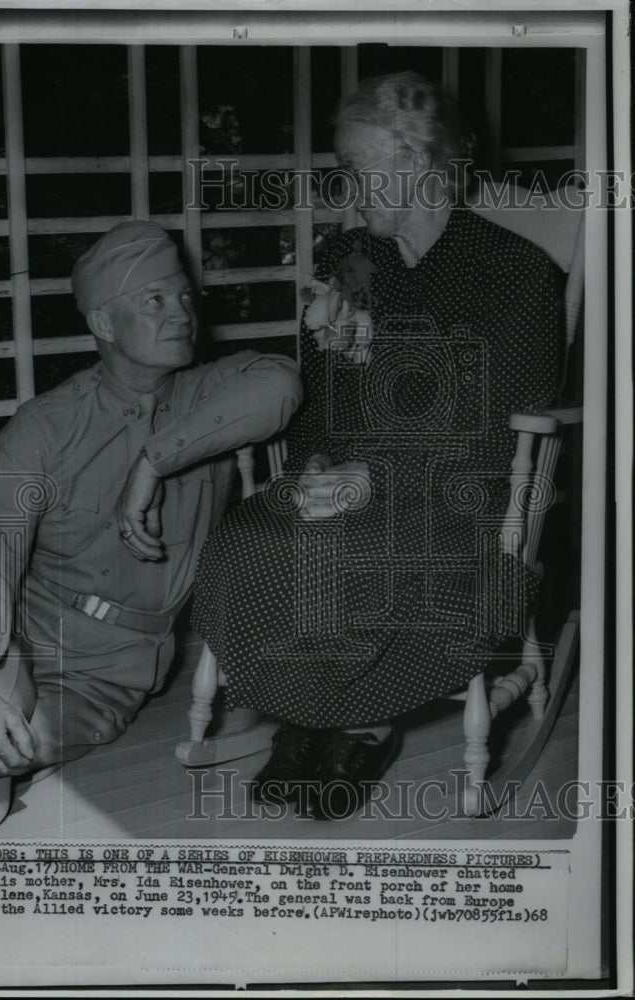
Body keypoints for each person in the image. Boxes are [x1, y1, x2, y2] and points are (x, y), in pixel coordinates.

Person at [171, 72, 561, 819]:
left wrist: (370, 478)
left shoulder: (513, 271)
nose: (347, 186)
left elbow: (489, 428)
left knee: (356, 553)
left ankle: (361, 716)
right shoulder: (351, 260)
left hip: (455, 495)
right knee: (253, 539)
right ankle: (313, 709)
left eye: (357, 168)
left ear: (418, 165)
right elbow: (317, 394)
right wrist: (317, 467)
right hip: (347, 481)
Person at [0, 221, 302, 836]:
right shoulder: (46, 426)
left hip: (107, 676)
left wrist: (155, 461)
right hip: (17, 645)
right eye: (154, 300)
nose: (180, 312)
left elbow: (282, 383)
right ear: (103, 323)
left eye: (183, 296)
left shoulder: (213, 392)